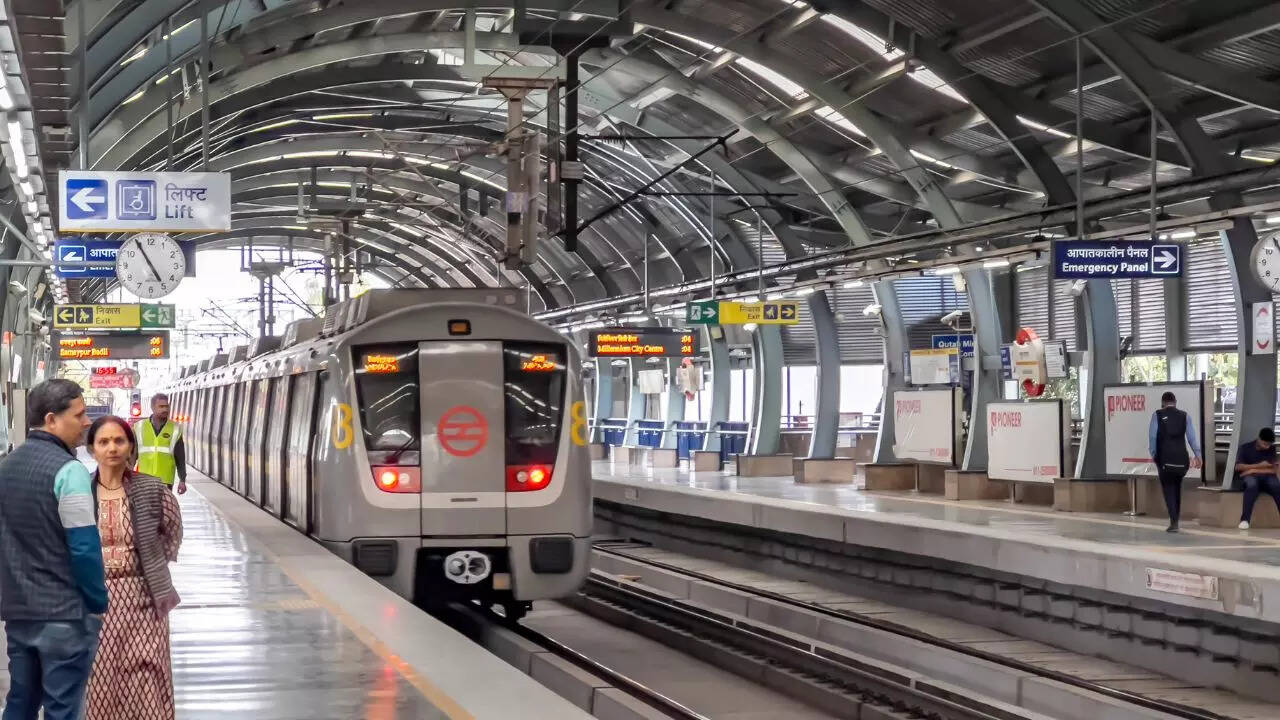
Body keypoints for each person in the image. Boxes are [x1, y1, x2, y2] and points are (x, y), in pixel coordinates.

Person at [0, 378, 107, 720]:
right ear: (51, 419)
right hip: (65, 614)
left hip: (19, 612)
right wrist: (97, 601)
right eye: (79, 414)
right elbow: (84, 545)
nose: (86, 422)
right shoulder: (70, 472)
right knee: (63, 708)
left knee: (20, 703)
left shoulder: (6, 468)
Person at [84, 416, 182, 720]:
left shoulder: (152, 489)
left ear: (130, 447)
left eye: (119, 441)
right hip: (95, 604)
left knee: (145, 675)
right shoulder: (80, 492)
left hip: (143, 599)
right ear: (92, 449)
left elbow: (172, 532)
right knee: (101, 681)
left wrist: (150, 562)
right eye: (103, 442)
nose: (112, 448)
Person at [1148, 391, 1203, 533]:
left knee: (1168, 489)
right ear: (1175, 402)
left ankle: (1174, 521)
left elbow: (1152, 437)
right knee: (1177, 487)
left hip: (1165, 459)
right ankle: (1176, 519)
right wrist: (1198, 455)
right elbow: (1192, 438)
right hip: (1182, 460)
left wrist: (1154, 455)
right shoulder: (1185, 416)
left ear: (1162, 403)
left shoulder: (1157, 415)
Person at [136, 393, 186, 495]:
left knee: (164, 506)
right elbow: (132, 456)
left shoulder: (175, 429)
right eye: (161, 406)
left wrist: (182, 480)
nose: (165, 409)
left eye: (167, 406)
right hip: (143, 480)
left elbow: (180, 457)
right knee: (145, 506)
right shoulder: (139, 427)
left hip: (165, 481)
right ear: (153, 408)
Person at [1234, 427, 1280, 530]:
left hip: (1266, 476)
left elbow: (1274, 470)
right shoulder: (1245, 448)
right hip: (1251, 477)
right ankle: (1245, 520)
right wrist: (1258, 466)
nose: (1267, 447)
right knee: (1251, 485)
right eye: (1265, 444)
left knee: (1276, 485)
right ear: (1259, 439)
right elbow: (1238, 467)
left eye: (1269, 444)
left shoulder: (1272, 449)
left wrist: (1253, 470)